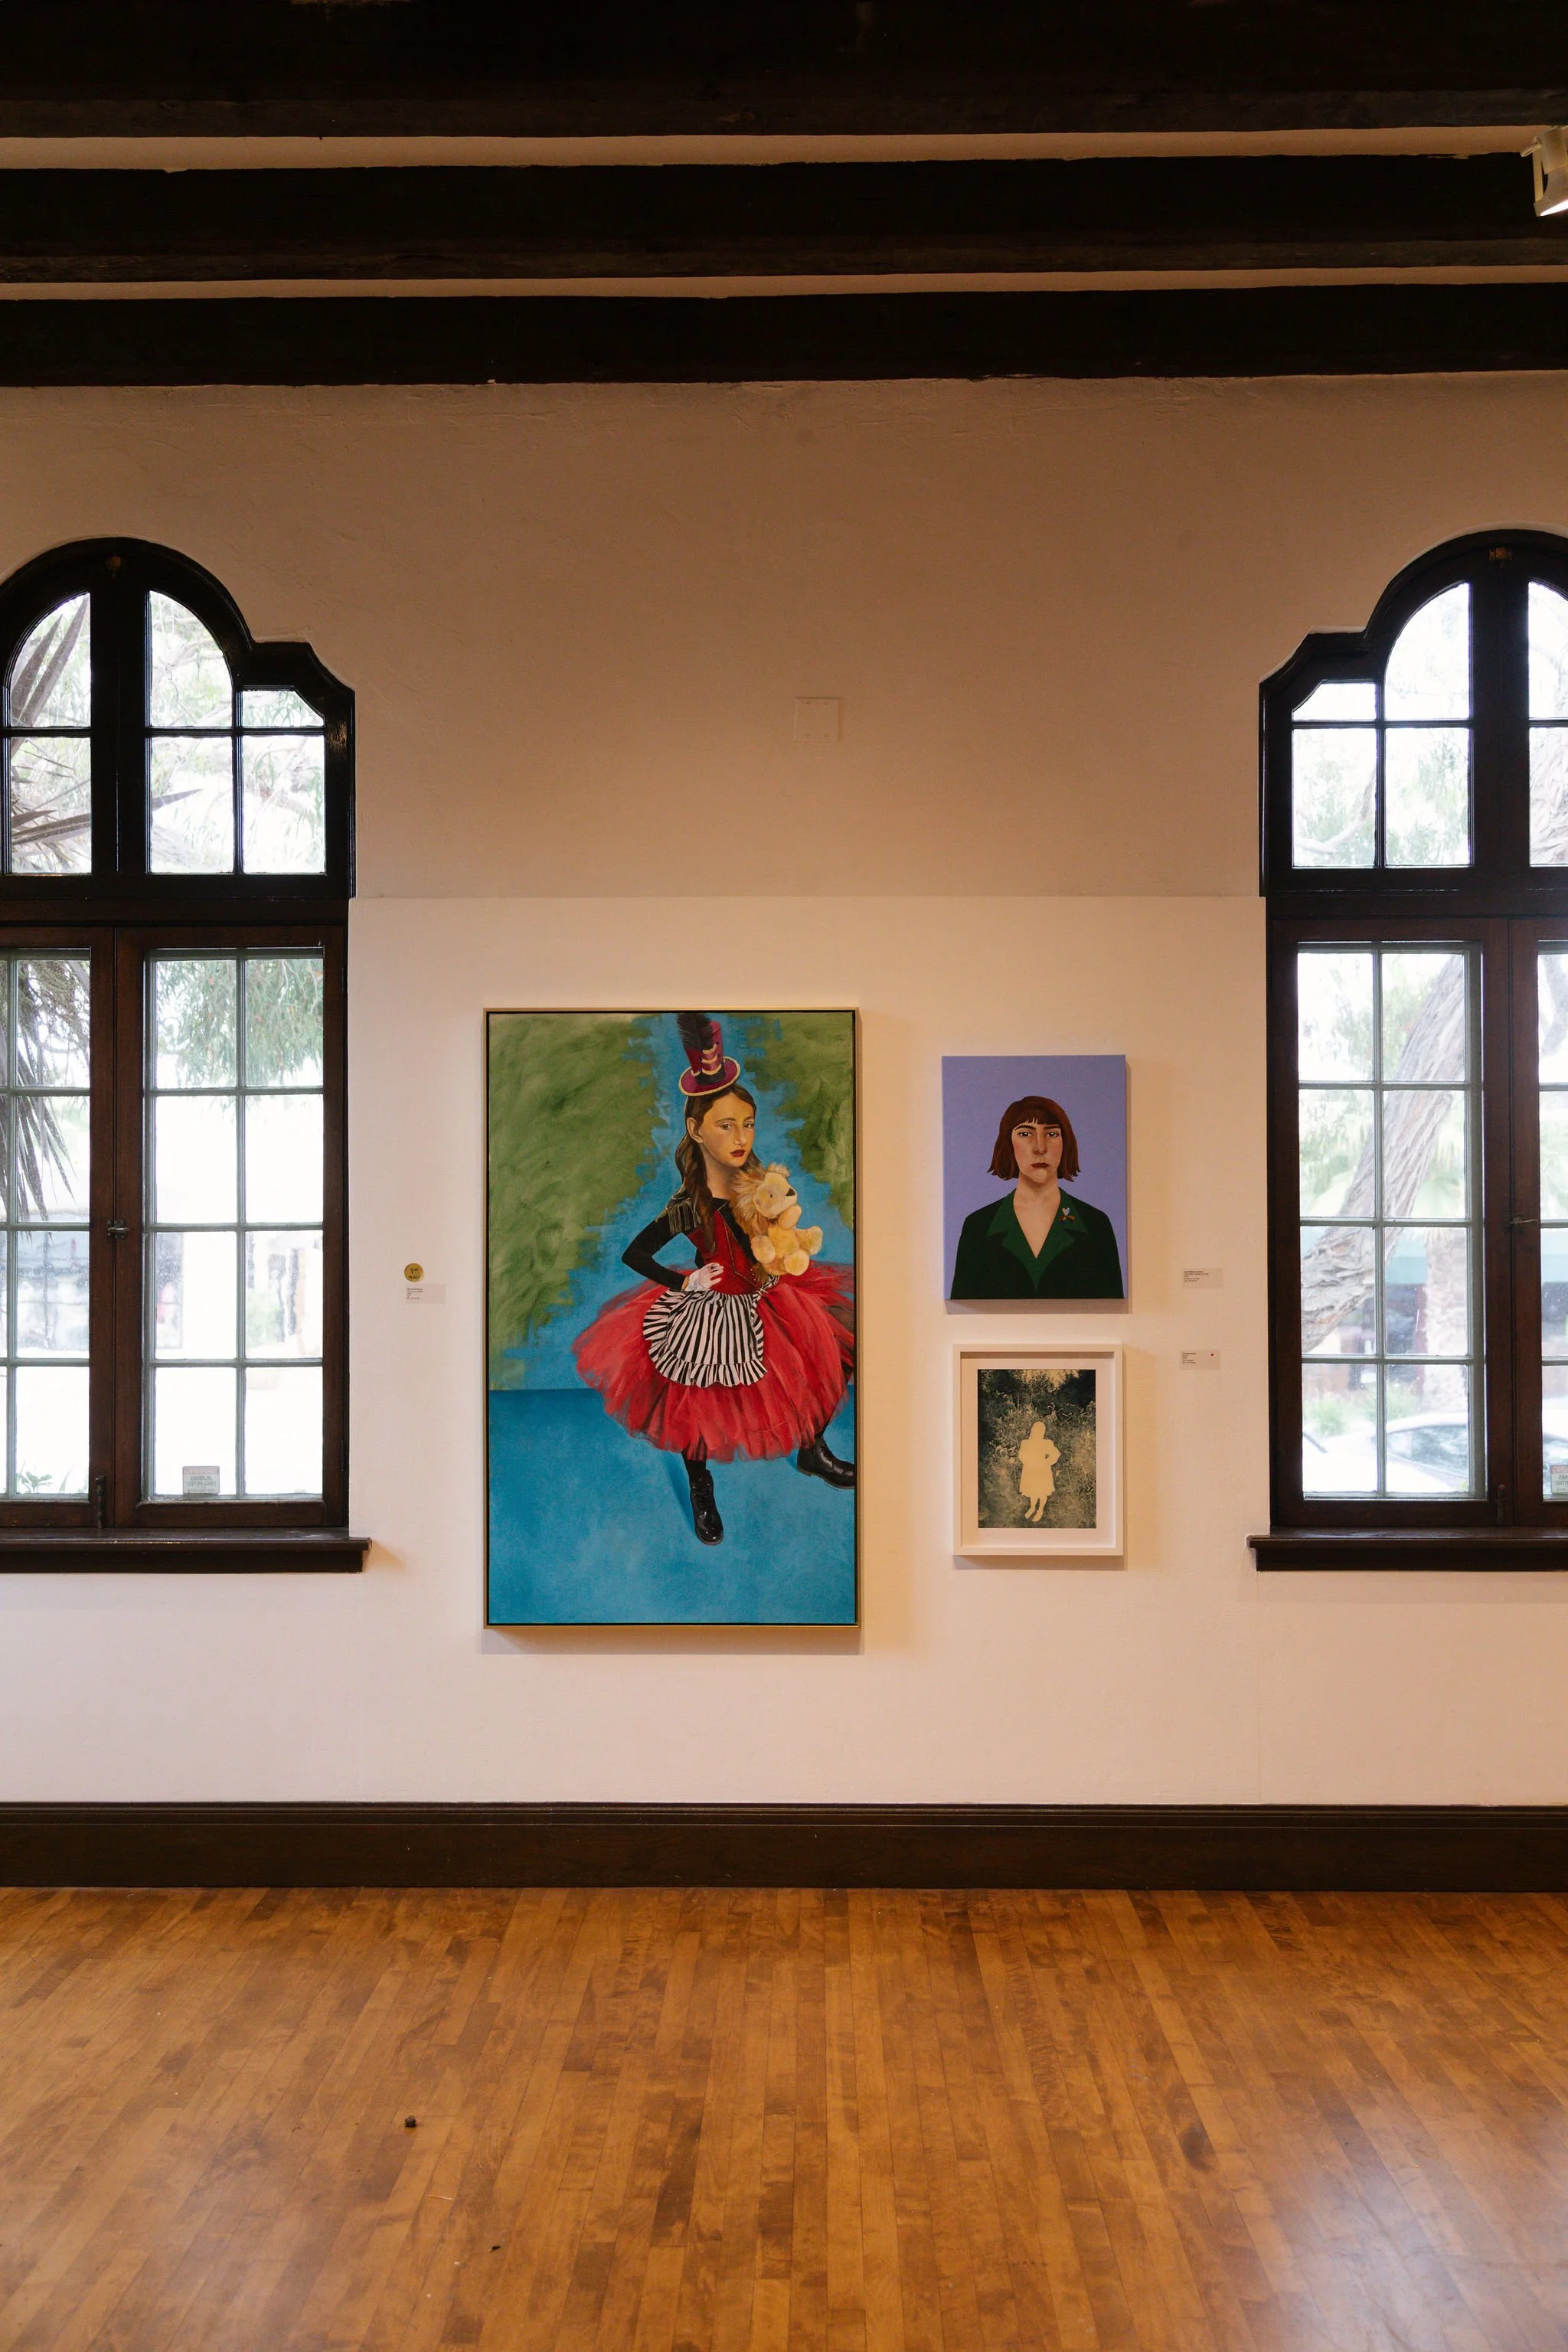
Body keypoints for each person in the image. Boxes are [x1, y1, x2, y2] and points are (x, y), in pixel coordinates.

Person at [573, 1012, 854, 1546]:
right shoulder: (689, 1204)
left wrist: (785, 1245)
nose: (741, 1136)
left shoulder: (759, 1183)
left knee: (830, 1346)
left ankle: (812, 1449)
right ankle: (700, 1484)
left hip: (769, 1294)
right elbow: (636, 1253)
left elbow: (779, 1233)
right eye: (726, 1126)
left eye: (748, 1123)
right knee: (695, 1395)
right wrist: (685, 1284)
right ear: (696, 1130)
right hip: (716, 1304)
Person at [950, 1095, 1124, 1300]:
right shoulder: (979, 1226)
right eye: (1025, 1134)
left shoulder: (1095, 1224)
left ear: (1065, 1143)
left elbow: (1113, 1308)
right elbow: (963, 1308)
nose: (1040, 1147)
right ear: (1008, 1144)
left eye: (1051, 1134)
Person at [1017, 1421, 1060, 1523]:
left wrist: (1047, 1461)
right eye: (1036, 1430)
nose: (1038, 1433)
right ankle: (1032, 1507)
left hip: (1042, 1470)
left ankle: (1040, 1510)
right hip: (1031, 1469)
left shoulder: (1046, 1443)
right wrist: (1028, 1461)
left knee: (1042, 1491)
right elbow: (1022, 1455)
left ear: (1043, 1432)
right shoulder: (1026, 1443)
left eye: (1040, 1431)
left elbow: (1055, 1454)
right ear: (1033, 1430)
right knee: (1033, 1490)